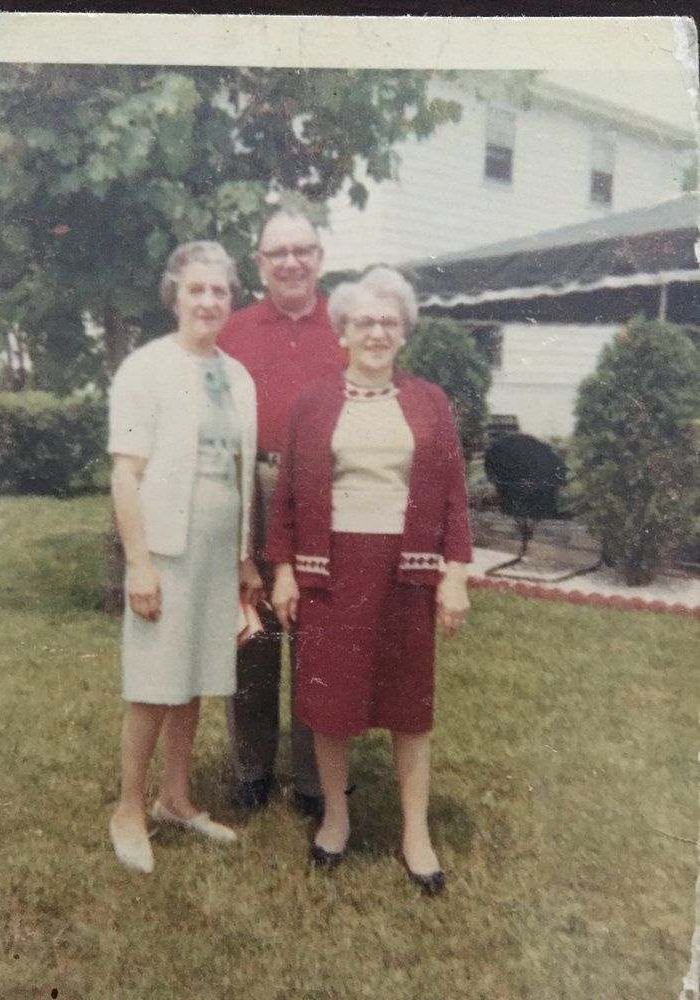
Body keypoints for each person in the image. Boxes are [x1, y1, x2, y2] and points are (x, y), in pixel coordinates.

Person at [266, 267, 472, 894]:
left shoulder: (430, 402)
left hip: (406, 570)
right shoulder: (312, 404)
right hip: (330, 571)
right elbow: (288, 501)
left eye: (388, 322)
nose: (376, 332)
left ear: (403, 333)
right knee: (332, 702)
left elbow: (455, 499)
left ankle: (416, 832)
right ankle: (336, 816)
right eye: (364, 321)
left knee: (410, 703)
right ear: (343, 332)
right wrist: (283, 571)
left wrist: (455, 574)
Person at [107, 240, 262, 874]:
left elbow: (238, 472)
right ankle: (128, 810)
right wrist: (138, 563)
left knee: (195, 676)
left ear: (231, 300)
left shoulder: (238, 376)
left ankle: (175, 798)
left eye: (219, 290)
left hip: (215, 552)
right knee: (152, 684)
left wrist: (244, 558)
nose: (207, 300)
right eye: (195, 289)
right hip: (165, 551)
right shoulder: (145, 369)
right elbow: (125, 475)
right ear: (175, 295)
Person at [218, 209, 344, 818]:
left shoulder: (348, 327)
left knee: (317, 630)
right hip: (251, 483)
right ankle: (251, 767)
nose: (290, 262)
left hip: (326, 487)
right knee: (253, 628)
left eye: (302, 250)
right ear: (259, 264)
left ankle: (317, 778)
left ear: (320, 257)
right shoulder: (233, 330)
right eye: (277, 253)